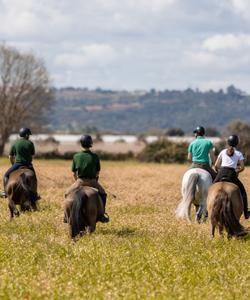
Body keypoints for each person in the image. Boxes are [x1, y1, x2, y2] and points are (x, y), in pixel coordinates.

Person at [69, 134, 109, 223]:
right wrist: (95, 180)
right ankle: (102, 215)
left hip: (80, 181)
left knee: (66, 194)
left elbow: (74, 173)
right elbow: (98, 172)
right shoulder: (95, 156)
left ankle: (66, 216)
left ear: (81, 144)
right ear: (91, 144)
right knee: (103, 194)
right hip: (92, 181)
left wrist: (77, 181)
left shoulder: (76, 156)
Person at [214, 135, 250, 219]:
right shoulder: (238, 153)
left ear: (228, 142)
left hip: (221, 172)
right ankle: (246, 212)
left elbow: (216, 165)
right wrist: (237, 171)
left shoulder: (223, 152)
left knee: (210, 189)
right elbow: (242, 167)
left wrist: (219, 172)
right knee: (243, 192)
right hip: (232, 174)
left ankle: (206, 210)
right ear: (237, 143)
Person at [1, 127, 37, 198]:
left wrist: (13, 164)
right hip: (28, 165)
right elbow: (32, 155)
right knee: (34, 179)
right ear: (26, 135)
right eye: (29, 135)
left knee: (6, 175)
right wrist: (29, 162)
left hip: (17, 164)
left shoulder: (15, 143)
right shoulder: (30, 143)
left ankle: (5, 192)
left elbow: (10, 156)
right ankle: (34, 194)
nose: (29, 136)